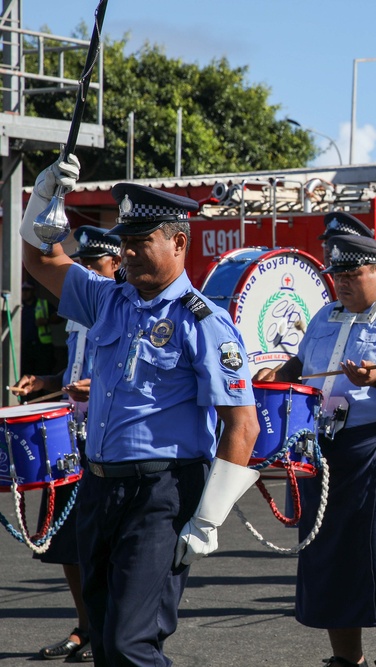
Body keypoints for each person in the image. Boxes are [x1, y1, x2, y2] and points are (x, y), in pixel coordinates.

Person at [20, 155, 261, 665]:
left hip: (162, 494)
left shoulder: (204, 322)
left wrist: (209, 517)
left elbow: (243, 423)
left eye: (140, 242)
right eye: (125, 242)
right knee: (106, 639)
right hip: (101, 486)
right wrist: (43, 199)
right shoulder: (109, 300)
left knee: (133, 642)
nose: (127, 253)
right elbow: (42, 261)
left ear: (178, 242)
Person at [253, 232, 376, 667]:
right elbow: (300, 367)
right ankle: (345, 659)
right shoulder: (325, 316)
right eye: (335, 273)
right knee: (328, 559)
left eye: (351, 273)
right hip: (324, 451)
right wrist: (275, 375)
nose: (340, 281)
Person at [10, 225, 122, 662]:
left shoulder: (122, 311)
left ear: (115, 267)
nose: (85, 272)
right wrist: (46, 382)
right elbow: (72, 375)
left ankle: (114, 630)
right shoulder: (79, 313)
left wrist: (102, 385)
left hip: (107, 442)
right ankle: (86, 626)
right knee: (68, 544)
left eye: (94, 265)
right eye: (82, 264)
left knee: (105, 545)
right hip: (67, 439)